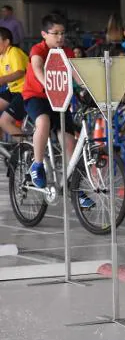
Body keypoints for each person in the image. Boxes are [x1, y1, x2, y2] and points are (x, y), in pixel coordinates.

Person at [21, 14, 94, 208]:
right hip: (37, 96)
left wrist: (87, 88)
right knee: (43, 122)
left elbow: (75, 74)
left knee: (70, 145)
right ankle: (37, 165)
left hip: (60, 101)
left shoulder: (66, 51)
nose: (60, 37)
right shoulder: (38, 49)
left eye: (63, 33)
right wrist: (49, 85)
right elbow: (37, 68)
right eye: (56, 33)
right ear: (44, 34)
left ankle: (76, 190)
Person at [0, 27, 28, 137]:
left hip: (25, 91)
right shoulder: (2, 57)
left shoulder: (14, 52)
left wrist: (2, 80)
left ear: (6, 42)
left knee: (4, 121)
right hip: (13, 90)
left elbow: (19, 72)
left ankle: (26, 149)